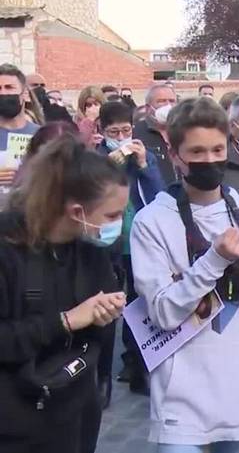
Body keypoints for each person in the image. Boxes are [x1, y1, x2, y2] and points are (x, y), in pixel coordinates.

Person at [130, 98, 239, 452]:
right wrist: (214, 259)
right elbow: (165, 313)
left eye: (217, 149)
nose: (208, 160)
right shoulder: (152, 222)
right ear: (175, 155)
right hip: (180, 401)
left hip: (238, 393)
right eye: (196, 152)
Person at [0, 138, 129, 453]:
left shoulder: (90, 248)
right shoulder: (8, 249)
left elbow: (98, 328)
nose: (119, 225)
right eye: (112, 216)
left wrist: (106, 312)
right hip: (15, 421)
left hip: (74, 410)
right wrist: (66, 321)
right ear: (76, 211)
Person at [96, 101, 165, 397]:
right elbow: (90, 192)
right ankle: (103, 374)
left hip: (138, 240)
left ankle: (139, 366)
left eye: (126, 130)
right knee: (107, 305)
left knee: (140, 306)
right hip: (108, 241)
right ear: (102, 131)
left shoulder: (143, 156)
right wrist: (107, 166)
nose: (121, 136)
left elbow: (159, 193)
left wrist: (144, 165)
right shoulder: (96, 157)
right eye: (114, 131)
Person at [0, 64, 41, 196]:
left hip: (31, 212)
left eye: (9, 87)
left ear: (24, 94)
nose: (3, 93)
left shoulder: (42, 135)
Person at [133, 84, 179, 185]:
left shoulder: (184, 131)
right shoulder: (136, 133)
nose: (168, 106)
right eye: (161, 101)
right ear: (148, 108)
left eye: (172, 101)